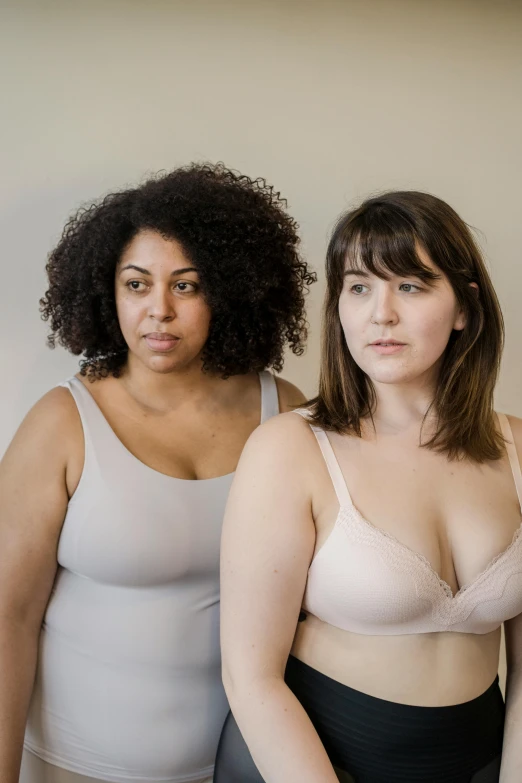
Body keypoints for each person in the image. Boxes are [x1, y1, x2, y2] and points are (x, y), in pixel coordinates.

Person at [0, 162, 315, 783]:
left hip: (243, 767)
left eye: (187, 286)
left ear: (228, 291)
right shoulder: (63, 423)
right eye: (137, 284)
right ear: (105, 292)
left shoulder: (287, 412)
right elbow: (6, 618)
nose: (159, 311)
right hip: (72, 769)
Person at [215, 191, 522, 783]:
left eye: (410, 286)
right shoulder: (290, 449)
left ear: (465, 307)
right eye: (359, 287)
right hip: (309, 761)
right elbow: (249, 676)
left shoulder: (516, 451)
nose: (381, 313)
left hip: (478, 759)